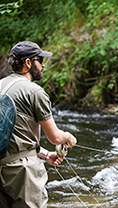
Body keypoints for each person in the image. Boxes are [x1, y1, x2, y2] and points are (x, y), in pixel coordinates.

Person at [0, 41, 77, 208]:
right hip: (22, 173)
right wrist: (69, 137)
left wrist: (44, 154)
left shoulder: (1, 85)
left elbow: (9, 134)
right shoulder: (34, 91)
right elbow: (55, 137)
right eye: (40, 60)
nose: (43, 65)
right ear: (28, 63)